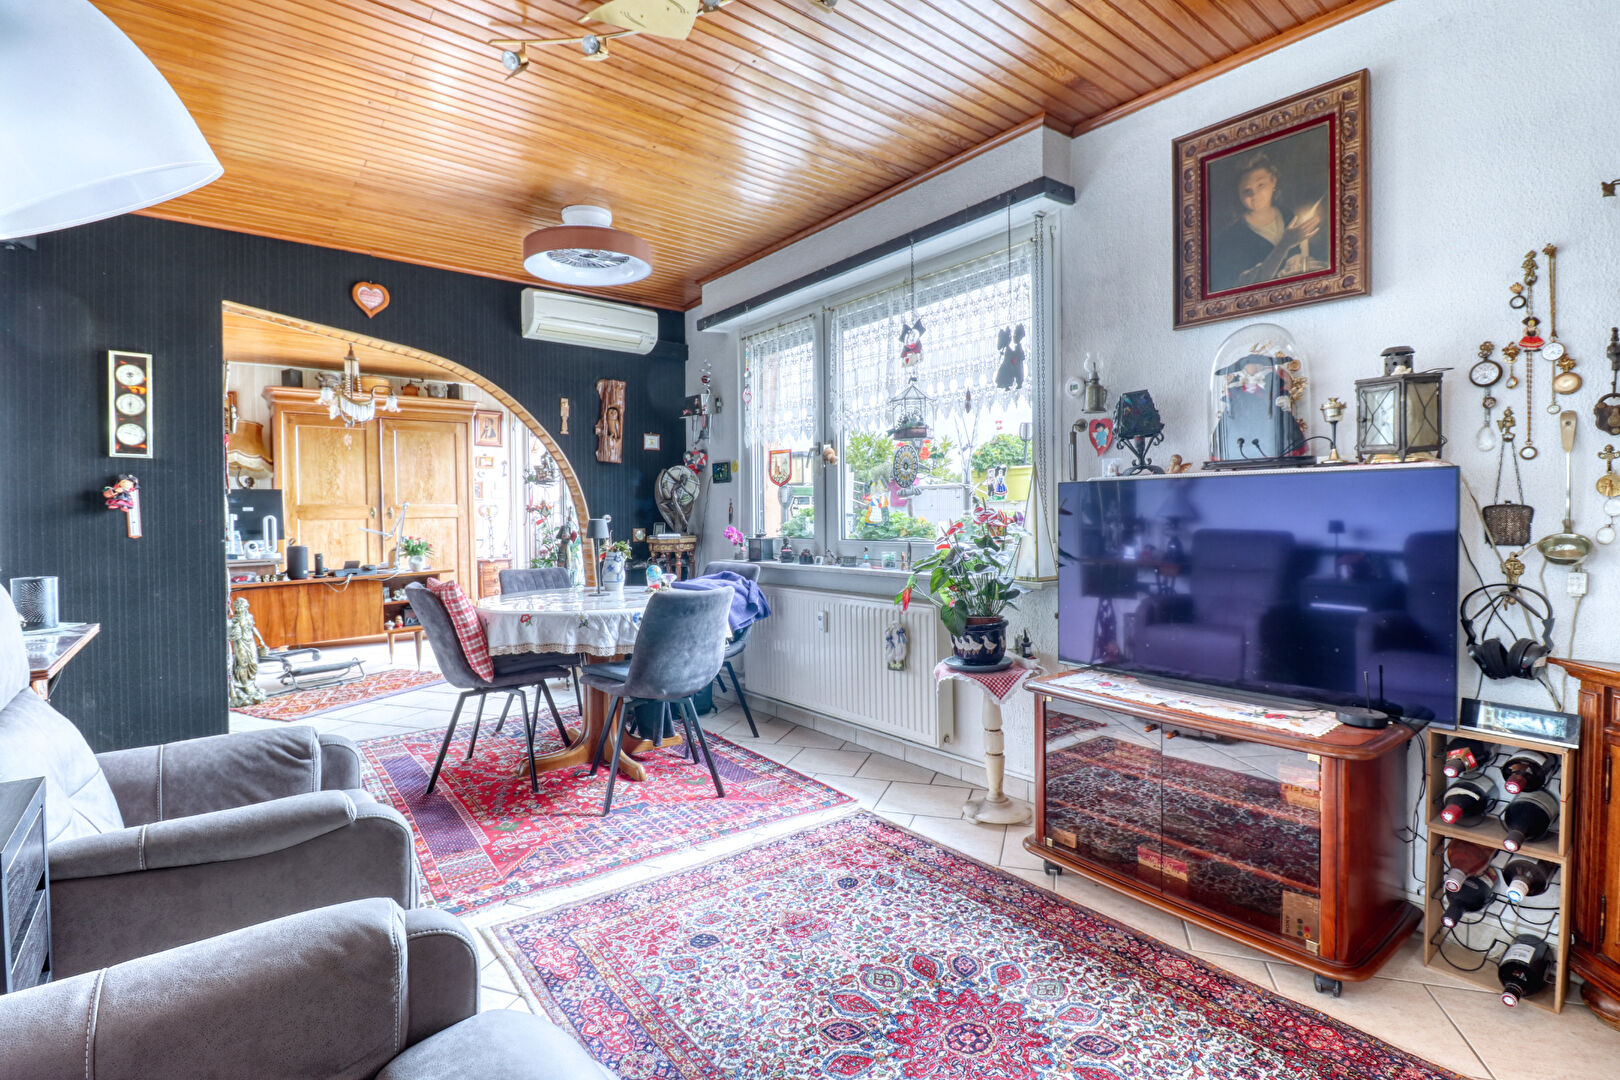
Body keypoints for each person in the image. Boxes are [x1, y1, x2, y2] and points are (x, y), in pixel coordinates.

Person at [1209, 152, 1326, 292]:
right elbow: (1250, 284)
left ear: (1273, 182)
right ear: (1238, 194)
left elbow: (1298, 255)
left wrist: (1297, 260)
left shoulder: (1287, 215)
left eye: (1260, 185)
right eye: (1246, 190)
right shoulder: (1233, 235)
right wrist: (1284, 244)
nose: (1254, 194)